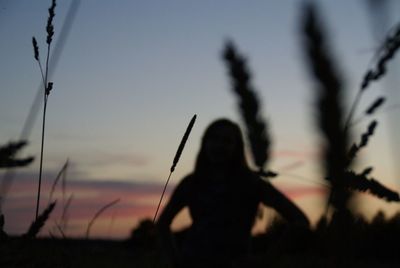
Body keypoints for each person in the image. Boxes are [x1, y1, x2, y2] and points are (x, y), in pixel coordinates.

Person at [156, 118, 309, 267]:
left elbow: (299, 220)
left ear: (237, 147)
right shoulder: (191, 183)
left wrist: (267, 259)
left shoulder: (252, 183)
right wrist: (176, 261)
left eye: (227, 141)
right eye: (214, 139)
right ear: (205, 143)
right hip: (193, 261)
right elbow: (163, 223)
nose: (219, 145)